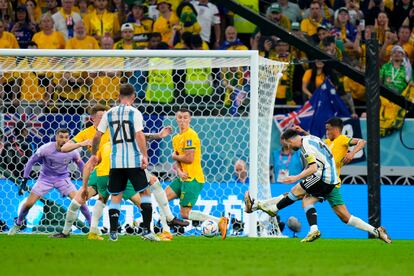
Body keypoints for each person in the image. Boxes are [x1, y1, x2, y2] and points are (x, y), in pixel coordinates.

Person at [90, 84, 187, 241]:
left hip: (116, 163)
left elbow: (96, 137)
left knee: (115, 196)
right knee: (145, 193)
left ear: (118, 96)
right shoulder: (134, 112)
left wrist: (94, 155)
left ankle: (113, 233)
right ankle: (146, 231)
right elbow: (140, 135)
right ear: (133, 97)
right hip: (133, 161)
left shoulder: (109, 113)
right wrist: (145, 156)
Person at [293, 118, 391, 243]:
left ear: (336, 129)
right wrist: (302, 132)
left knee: (341, 216)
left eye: (328, 129)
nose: (326, 131)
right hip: (324, 182)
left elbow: (362, 141)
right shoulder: (327, 142)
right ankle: (377, 231)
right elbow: (313, 140)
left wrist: (352, 153)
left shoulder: (343, 139)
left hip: (330, 183)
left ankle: (376, 231)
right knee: (312, 203)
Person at [245, 128, 339, 242]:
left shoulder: (305, 146)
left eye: (288, 144)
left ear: (290, 141)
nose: (289, 147)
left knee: (295, 190)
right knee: (305, 201)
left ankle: (271, 209)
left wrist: (296, 177)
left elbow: (313, 168)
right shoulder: (310, 138)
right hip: (331, 178)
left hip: (324, 177)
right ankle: (314, 230)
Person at [162, 108, 229, 239]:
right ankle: (165, 231)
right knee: (162, 198)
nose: (182, 120)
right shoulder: (176, 138)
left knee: (185, 214)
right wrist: (179, 172)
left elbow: (189, 158)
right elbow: (177, 158)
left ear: (190, 119)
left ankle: (219, 221)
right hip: (183, 177)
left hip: (192, 178)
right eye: (180, 117)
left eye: (185, 117)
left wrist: (175, 157)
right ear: (176, 119)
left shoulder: (191, 135)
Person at [8, 129, 90, 235]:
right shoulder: (45, 149)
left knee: (80, 202)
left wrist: (87, 179)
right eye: (61, 137)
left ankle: (92, 227)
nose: (64, 140)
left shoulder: (72, 151)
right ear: (56, 137)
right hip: (45, 179)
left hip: (63, 179)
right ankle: (17, 224)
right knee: (28, 204)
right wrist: (24, 180)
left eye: (66, 137)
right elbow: (31, 161)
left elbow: (80, 163)